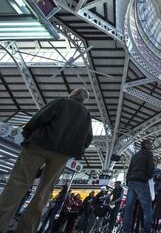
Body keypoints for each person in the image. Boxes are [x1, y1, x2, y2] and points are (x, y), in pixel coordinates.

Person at [0, 88, 92, 233]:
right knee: (44, 192)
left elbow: (40, 117)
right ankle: (27, 229)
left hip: (39, 145)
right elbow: (87, 139)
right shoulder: (86, 115)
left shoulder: (62, 102)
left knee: (18, 182)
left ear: (73, 94)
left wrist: (28, 133)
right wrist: (72, 150)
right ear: (84, 100)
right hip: (61, 155)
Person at [123, 139, 155, 233]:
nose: (151, 145)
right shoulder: (149, 153)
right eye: (150, 143)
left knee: (129, 207)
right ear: (145, 144)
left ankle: (126, 230)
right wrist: (148, 176)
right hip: (141, 181)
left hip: (132, 181)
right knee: (147, 207)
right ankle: (146, 230)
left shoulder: (135, 155)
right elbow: (151, 167)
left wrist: (128, 180)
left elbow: (130, 169)